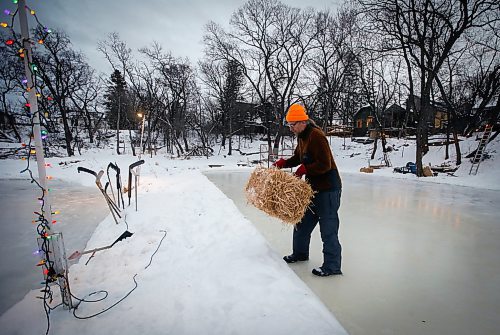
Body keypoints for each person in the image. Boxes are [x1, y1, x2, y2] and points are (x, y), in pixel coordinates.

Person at [273, 103, 343, 277]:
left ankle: (332, 266)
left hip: (328, 189)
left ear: (302, 122)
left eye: (292, 124)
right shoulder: (302, 136)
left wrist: (305, 169)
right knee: (301, 224)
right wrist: (285, 163)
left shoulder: (316, 136)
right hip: (312, 189)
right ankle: (300, 253)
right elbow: (299, 157)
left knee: (328, 229)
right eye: (289, 125)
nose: (290, 128)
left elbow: (324, 165)